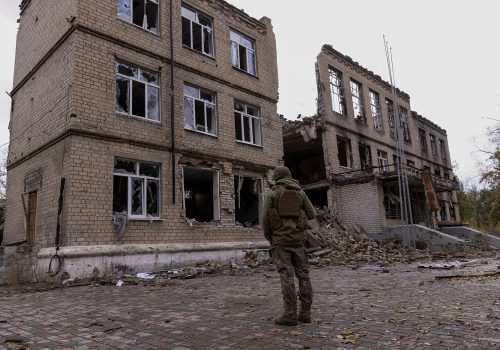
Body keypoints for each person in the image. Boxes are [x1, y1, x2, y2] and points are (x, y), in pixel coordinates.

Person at [262, 166, 317, 326]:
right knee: (304, 276)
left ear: (277, 178)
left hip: (280, 242)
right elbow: (312, 214)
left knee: (286, 277)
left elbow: (265, 218)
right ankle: (305, 314)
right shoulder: (300, 192)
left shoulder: (272, 193)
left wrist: (269, 237)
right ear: (289, 176)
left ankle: (290, 315)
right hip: (298, 241)